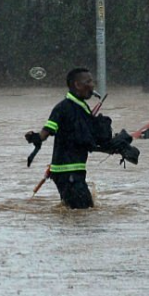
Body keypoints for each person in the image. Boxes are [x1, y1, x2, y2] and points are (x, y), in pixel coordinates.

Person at [24, 68, 118, 209]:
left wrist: (117, 147)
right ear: (77, 85)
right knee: (83, 212)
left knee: (78, 213)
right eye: (88, 81)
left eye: (92, 81)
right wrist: (35, 137)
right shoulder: (63, 108)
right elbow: (46, 132)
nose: (92, 85)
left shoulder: (83, 108)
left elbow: (86, 140)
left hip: (75, 171)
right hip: (66, 172)